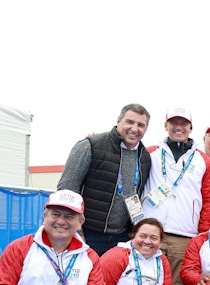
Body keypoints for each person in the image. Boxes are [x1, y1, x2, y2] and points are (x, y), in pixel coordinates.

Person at [142, 108, 210, 285]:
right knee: (146, 280)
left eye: (183, 124)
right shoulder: (150, 152)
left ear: (190, 128)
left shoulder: (204, 160)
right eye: (174, 123)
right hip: (150, 230)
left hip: (184, 235)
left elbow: (208, 200)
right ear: (166, 126)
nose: (178, 127)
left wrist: (202, 233)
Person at [58, 103, 152, 256]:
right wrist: (77, 232)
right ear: (118, 121)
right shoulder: (91, 145)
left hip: (121, 238)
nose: (135, 129)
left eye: (141, 125)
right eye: (130, 122)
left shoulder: (145, 158)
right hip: (88, 234)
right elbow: (67, 189)